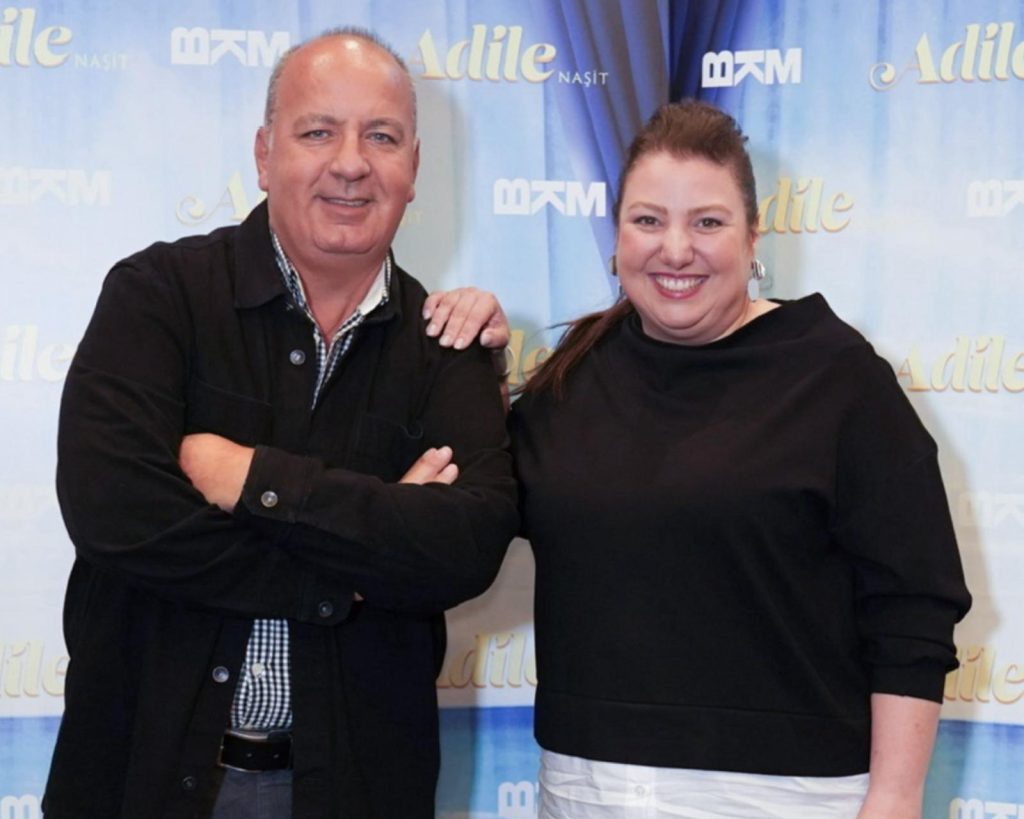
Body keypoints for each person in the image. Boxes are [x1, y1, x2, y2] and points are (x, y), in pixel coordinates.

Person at [438, 100, 970, 817]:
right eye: (648, 220)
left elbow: (914, 605)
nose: (676, 249)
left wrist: (898, 794)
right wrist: (472, 367)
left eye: (708, 222)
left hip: (788, 798)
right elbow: (476, 509)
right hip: (586, 789)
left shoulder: (840, 378)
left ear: (753, 237)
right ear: (617, 235)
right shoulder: (574, 376)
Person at [44, 28, 518, 819]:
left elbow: (466, 546)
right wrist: (351, 571)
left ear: (414, 168)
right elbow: (115, 511)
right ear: (265, 155)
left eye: (381, 136)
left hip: (359, 791)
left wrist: (254, 482)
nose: (351, 163)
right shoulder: (158, 295)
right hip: (142, 781)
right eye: (317, 132)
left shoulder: (448, 345)